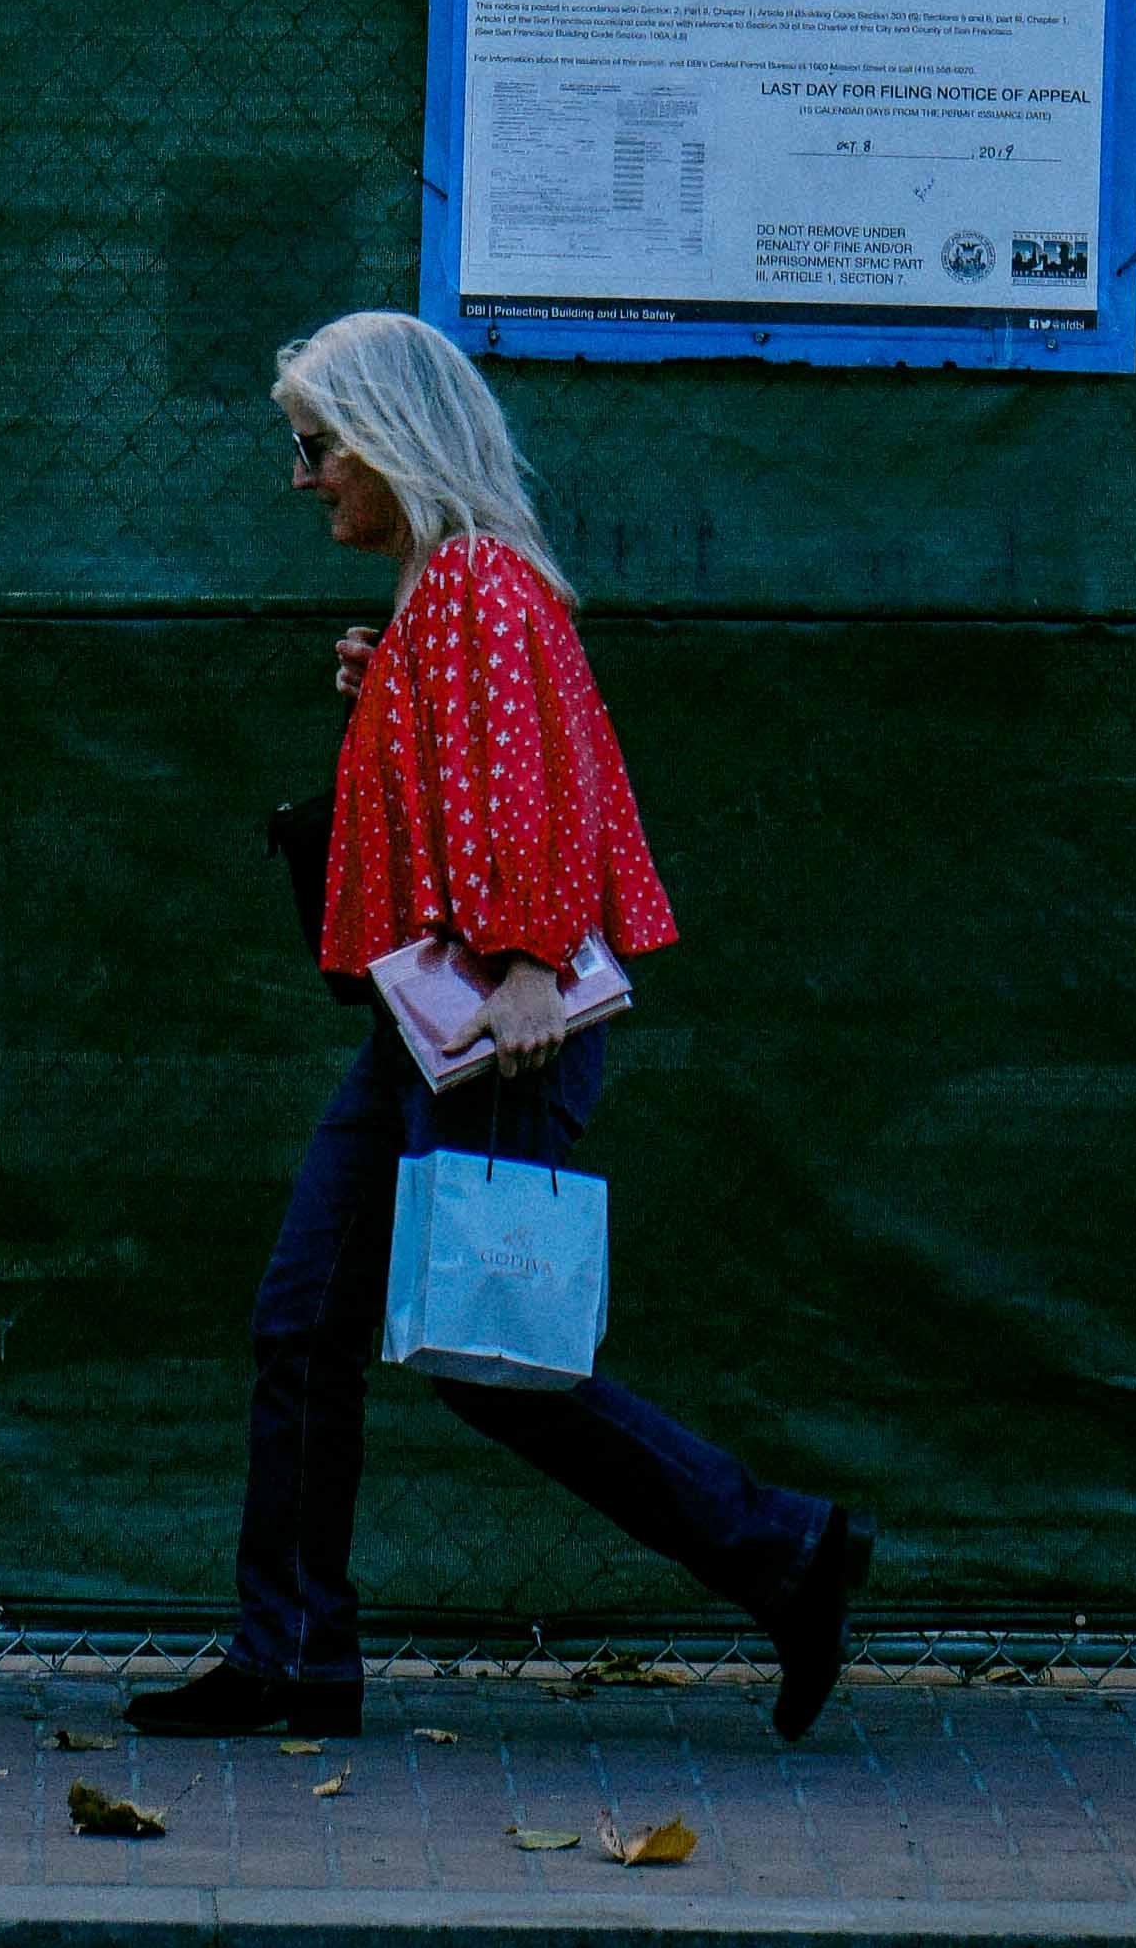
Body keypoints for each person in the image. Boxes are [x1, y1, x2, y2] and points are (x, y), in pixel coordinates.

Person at [130, 306, 871, 1744]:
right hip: (444, 1013)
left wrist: (529, 964)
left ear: (395, 442)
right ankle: (291, 1657)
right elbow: (480, 778)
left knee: (495, 1361)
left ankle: (786, 1551)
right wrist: (382, 699)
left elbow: (529, 796)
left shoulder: (471, 582)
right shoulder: (451, 595)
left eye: (318, 445)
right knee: (306, 1320)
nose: (304, 479)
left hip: (497, 1009)